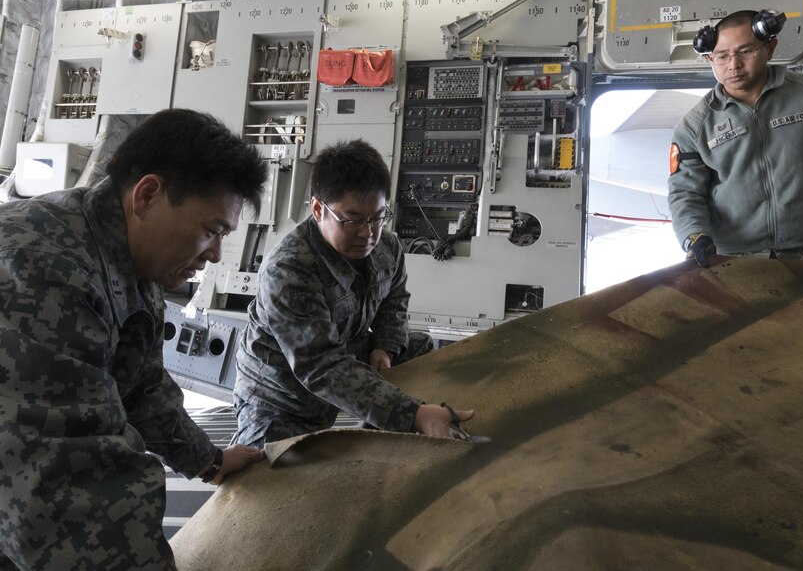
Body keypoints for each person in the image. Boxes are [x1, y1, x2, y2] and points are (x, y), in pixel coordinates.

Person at [0, 108, 267, 571]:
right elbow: (74, 492)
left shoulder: (126, 259)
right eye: (211, 231)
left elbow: (142, 385)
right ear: (148, 194)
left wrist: (208, 461)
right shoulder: (43, 268)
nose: (216, 255)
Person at [231, 139, 474, 448]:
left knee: (419, 345)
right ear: (319, 209)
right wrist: (409, 414)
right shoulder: (289, 270)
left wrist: (385, 346)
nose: (367, 233)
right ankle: (411, 417)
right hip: (281, 397)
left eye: (377, 217)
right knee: (262, 479)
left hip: (344, 353)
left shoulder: (387, 247)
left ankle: (389, 428)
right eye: (353, 219)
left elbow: (395, 299)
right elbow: (320, 366)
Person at [668, 9, 803, 276]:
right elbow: (685, 193)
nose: (733, 65)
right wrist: (694, 236)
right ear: (710, 59)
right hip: (738, 260)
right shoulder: (695, 125)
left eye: (745, 52)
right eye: (722, 56)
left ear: (769, 48)